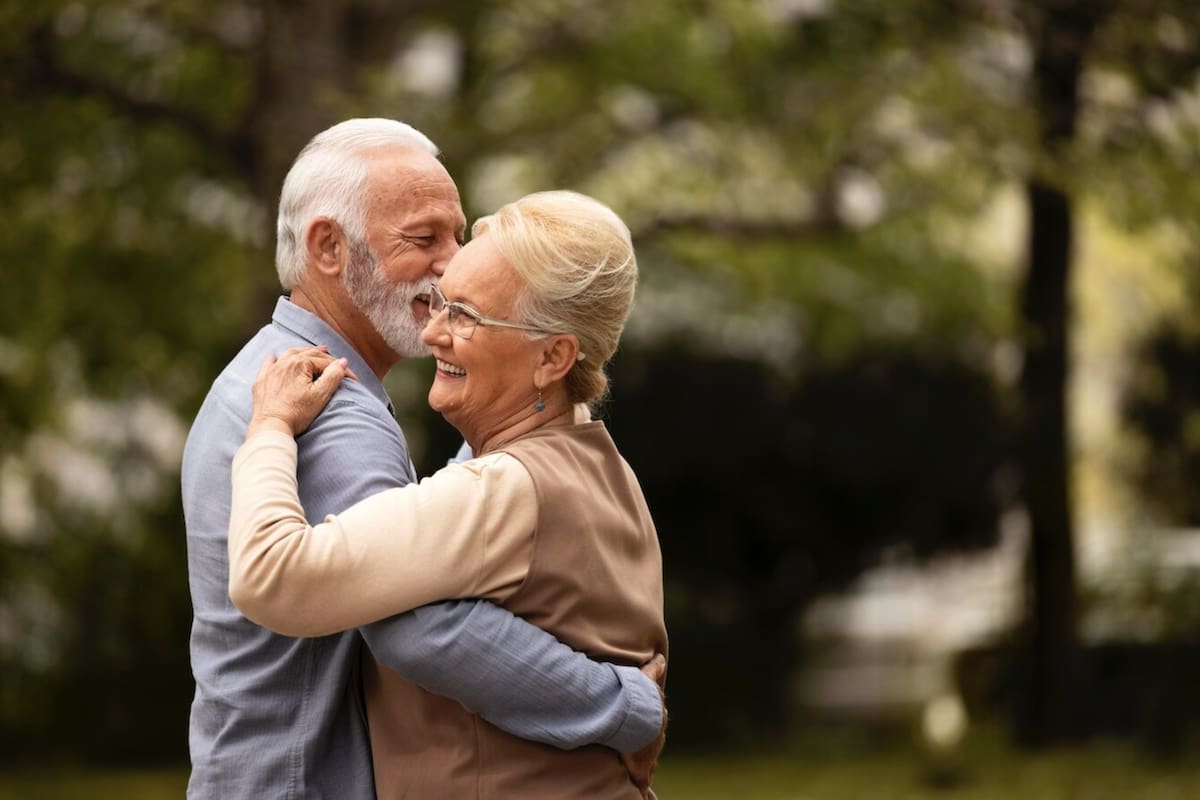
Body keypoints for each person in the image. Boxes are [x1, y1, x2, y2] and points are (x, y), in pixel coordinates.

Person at [181, 121, 665, 800]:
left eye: (458, 236)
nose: (450, 266)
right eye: (425, 239)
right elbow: (420, 625)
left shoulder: (257, 374)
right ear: (328, 247)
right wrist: (628, 707)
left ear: (554, 356)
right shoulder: (333, 410)